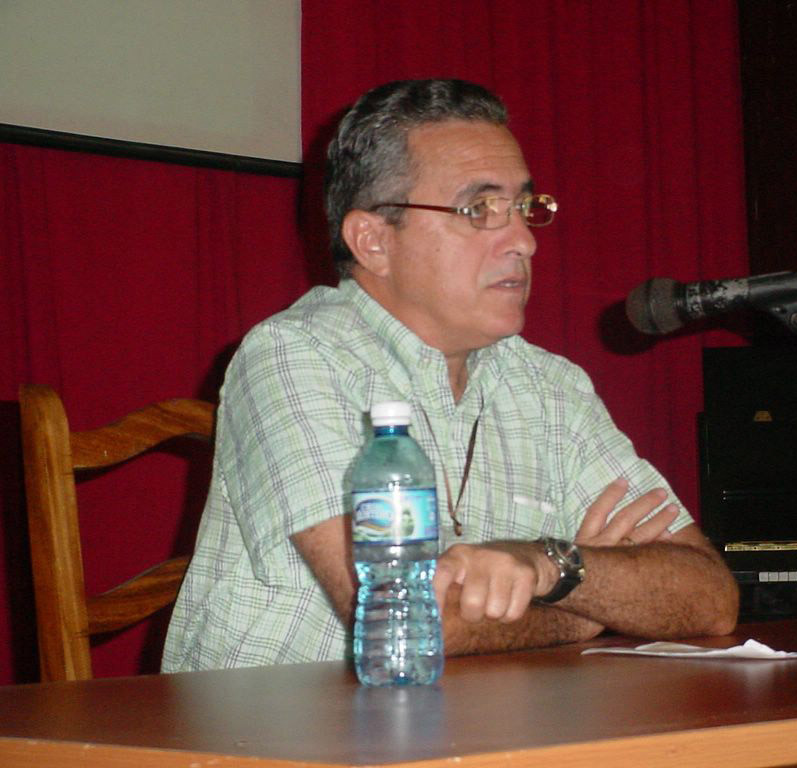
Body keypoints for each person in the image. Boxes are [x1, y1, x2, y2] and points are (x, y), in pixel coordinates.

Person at [162, 78, 737, 672]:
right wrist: (590, 611)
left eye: (523, 209)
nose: (523, 241)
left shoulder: (552, 389)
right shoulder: (293, 357)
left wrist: (550, 565)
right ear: (373, 241)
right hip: (281, 723)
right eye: (479, 210)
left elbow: (711, 597)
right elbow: (401, 620)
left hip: (480, 720)